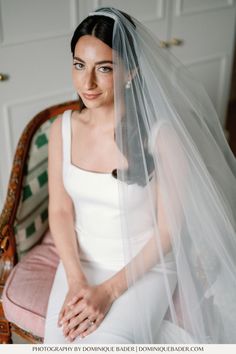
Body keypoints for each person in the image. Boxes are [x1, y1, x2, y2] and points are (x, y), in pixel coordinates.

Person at [44, 7, 236, 344]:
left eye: (104, 68)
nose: (86, 83)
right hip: (80, 262)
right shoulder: (62, 130)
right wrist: (76, 280)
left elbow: (168, 230)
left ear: (131, 72)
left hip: (144, 265)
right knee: (60, 342)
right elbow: (60, 210)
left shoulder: (161, 137)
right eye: (79, 65)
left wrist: (108, 291)